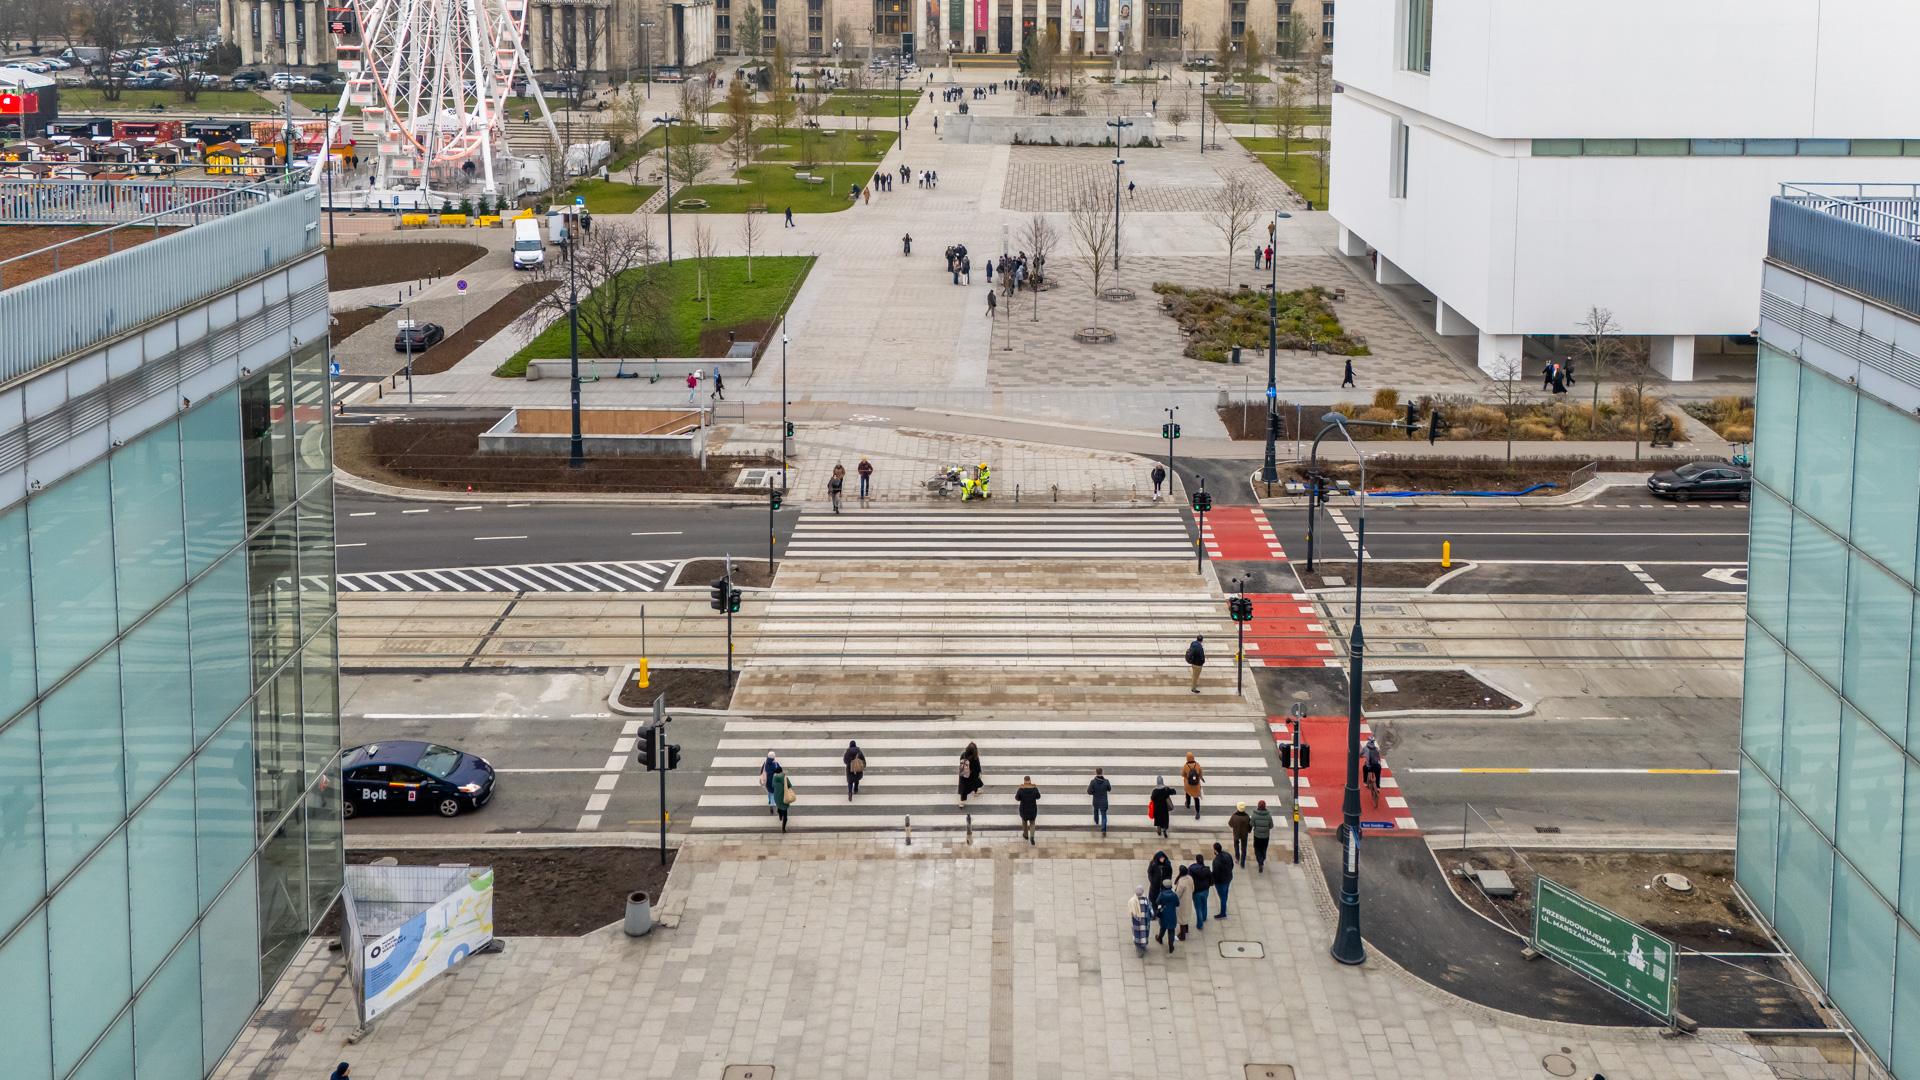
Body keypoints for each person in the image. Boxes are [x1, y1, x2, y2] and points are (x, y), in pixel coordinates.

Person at [1153, 879, 1180, 953]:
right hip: (1172, 915)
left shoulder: (1162, 894)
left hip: (1164, 914)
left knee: (1163, 927)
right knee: (1171, 931)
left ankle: (1160, 938)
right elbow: (1177, 903)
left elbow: (1157, 902)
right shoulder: (1174, 895)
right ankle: (1171, 946)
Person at [1188, 852, 1212, 931]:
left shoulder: (1191, 869)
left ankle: (1200, 924)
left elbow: (1189, 879)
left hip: (1196, 892)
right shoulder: (1207, 869)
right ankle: (1204, 917)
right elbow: (1211, 879)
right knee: (1204, 903)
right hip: (1205, 890)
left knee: (1198, 908)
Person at [1250, 799, 1275, 871]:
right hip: (1265, 836)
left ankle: (1260, 862)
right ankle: (1262, 860)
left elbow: (1251, 824)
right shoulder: (1268, 816)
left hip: (1257, 836)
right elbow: (1271, 826)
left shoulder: (1254, 815)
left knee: (1257, 849)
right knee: (1264, 849)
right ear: (1265, 806)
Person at [1211, 842, 1235, 918]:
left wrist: (1214, 881)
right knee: (1225, 893)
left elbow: (1216, 873)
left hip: (1221, 882)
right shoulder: (1227, 855)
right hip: (1228, 878)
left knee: (1222, 896)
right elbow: (1232, 865)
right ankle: (1224, 905)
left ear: (1215, 850)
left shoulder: (1216, 861)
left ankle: (1223, 912)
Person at [1015, 775, 1041, 843]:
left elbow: (1017, 798)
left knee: (1024, 823)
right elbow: (1038, 797)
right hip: (1032, 809)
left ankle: (1026, 835)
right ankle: (1032, 837)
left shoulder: (1021, 789)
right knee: (1032, 823)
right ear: (1030, 781)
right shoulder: (1034, 788)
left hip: (1024, 810)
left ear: (1024, 781)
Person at [958, 741, 983, 808]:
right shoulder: (974, 758)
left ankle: (962, 802)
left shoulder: (963, 755)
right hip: (972, 774)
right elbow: (977, 766)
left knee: (964, 788)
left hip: (964, 774)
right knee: (975, 782)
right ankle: (975, 792)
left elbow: (961, 762)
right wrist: (980, 772)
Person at [769, 765, 794, 831]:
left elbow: (772, 786)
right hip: (784, 797)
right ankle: (783, 829)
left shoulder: (774, 778)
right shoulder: (785, 778)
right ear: (781, 771)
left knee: (779, 806)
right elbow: (790, 786)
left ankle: (780, 815)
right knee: (785, 816)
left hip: (776, 797)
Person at [1087, 766, 1112, 835]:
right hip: (1104, 801)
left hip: (1096, 801)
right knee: (1104, 816)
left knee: (1096, 810)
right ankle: (1103, 830)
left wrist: (1094, 792)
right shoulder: (1106, 781)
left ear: (1096, 772)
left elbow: (1089, 791)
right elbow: (1109, 789)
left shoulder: (1093, 782)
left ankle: (1096, 821)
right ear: (1102, 772)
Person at [1174, 866, 1196, 940]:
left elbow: (1177, 894)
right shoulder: (1190, 878)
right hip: (1188, 899)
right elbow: (1193, 888)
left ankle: (1182, 936)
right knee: (1186, 915)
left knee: (1182, 919)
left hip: (1182, 903)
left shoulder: (1181, 882)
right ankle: (1186, 929)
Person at [1228, 802, 1253, 867]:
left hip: (1236, 834)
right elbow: (1250, 825)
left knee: (1236, 846)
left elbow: (1230, 824)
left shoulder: (1234, 816)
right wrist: (1249, 831)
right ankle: (1242, 863)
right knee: (1244, 848)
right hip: (1244, 835)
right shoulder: (1247, 817)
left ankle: (1237, 858)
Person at [1129, 887, 1152, 955]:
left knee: (1137, 934)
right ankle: (1144, 945)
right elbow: (1150, 909)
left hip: (1137, 922)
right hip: (1145, 921)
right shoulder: (1146, 900)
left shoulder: (1133, 901)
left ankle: (1139, 949)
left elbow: (1131, 911)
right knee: (1144, 934)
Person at [1181, 752, 1204, 819]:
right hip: (1196, 785)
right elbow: (1200, 773)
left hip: (1188, 784)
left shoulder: (1185, 766)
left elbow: (1182, 774)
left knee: (1188, 793)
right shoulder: (1197, 765)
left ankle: (1188, 804)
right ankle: (1197, 812)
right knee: (1196, 799)